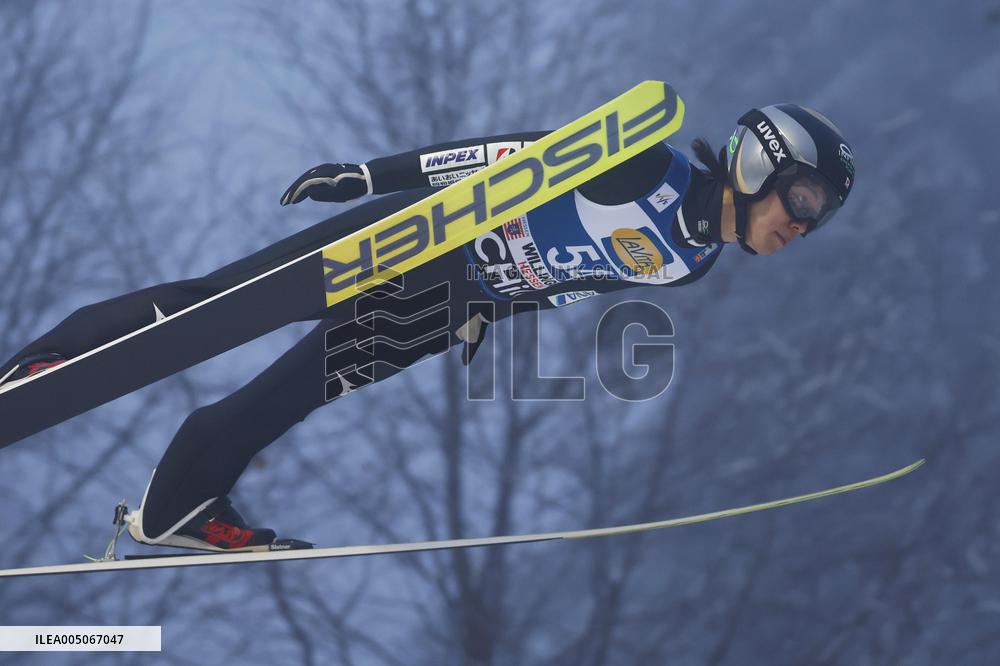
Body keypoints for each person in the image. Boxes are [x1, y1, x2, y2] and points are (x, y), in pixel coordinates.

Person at [0, 103, 855, 552]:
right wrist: (370, 175)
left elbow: (571, 275)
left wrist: (490, 312)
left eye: (820, 215)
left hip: (447, 299)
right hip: (421, 237)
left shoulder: (692, 260)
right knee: (218, 305)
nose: (803, 224)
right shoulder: (646, 164)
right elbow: (503, 157)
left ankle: (177, 503)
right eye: (805, 200)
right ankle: (50, 364)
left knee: (291, 395)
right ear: (756, 161)